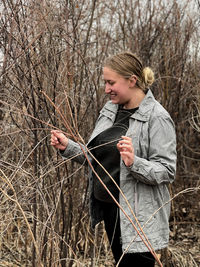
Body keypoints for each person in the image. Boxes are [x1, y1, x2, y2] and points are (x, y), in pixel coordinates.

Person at [50, 51, 177, 267]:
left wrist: (134, 162)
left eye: (111, 82)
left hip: (138, 216)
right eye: (105, 82)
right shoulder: (111, 110)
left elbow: (166, 171)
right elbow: (97, 158)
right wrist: (68, 147)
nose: (107, 89)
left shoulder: (157, 117)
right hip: (109, 208)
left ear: (132, 80)